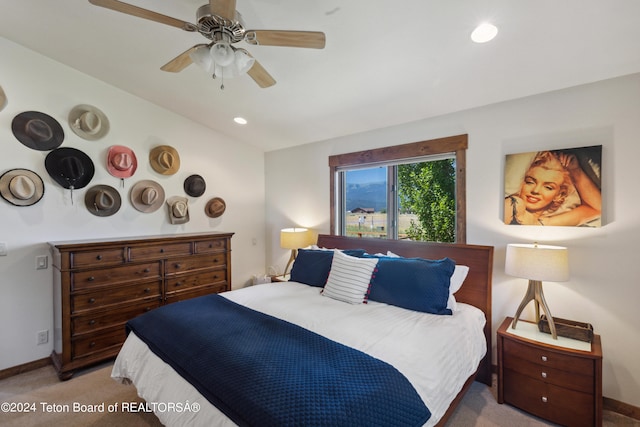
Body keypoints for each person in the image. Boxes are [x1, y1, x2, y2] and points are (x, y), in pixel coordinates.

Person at [504, 150, 601, 226]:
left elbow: (596, 208)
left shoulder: (545, 223)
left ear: (559, 195)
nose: (535, 191)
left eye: (548, 187)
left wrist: (575, 170)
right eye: (530, 182)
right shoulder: (513, 205)